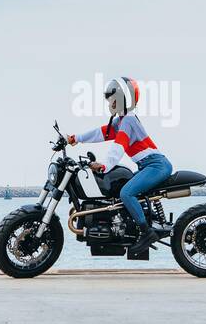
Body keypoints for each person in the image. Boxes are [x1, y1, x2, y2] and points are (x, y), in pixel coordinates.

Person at [68, 76, 173, 254]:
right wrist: (75, 138)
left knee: (126, 193)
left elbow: (119, 147)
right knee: (122, 191)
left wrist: (105, 166)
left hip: (156, 165)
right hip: (147, 166)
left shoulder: (129, 120)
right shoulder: (121, 121)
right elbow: (99, 133)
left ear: (122, 98)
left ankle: (146, 233)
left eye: (111, 98)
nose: (109, 102)